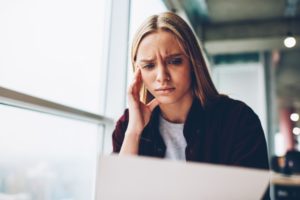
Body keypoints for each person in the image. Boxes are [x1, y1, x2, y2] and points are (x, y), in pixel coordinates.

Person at [112, 12, 269, 170]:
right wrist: (133, 133)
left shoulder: (238, 120)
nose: (162, 77)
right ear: (138, 72)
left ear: (193, 62)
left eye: (175, 61)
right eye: (149, 66)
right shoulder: (127, 125)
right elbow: (117, 193)